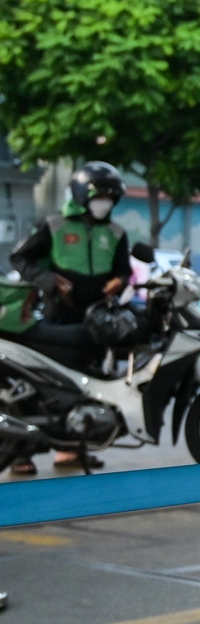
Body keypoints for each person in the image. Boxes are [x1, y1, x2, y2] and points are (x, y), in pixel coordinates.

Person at [7, 161, 134, 473]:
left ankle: (71, 447)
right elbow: (20, 258)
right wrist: (49, 280)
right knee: (42, 385)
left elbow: (124, 270)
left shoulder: (116, 233)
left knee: (85, 388)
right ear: (80, 195)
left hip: (97, 321)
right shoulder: (53, 225)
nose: (105, 202)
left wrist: (120, 281)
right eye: (99, 196)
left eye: (110, 197)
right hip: (58, 317)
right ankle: (20, 452)